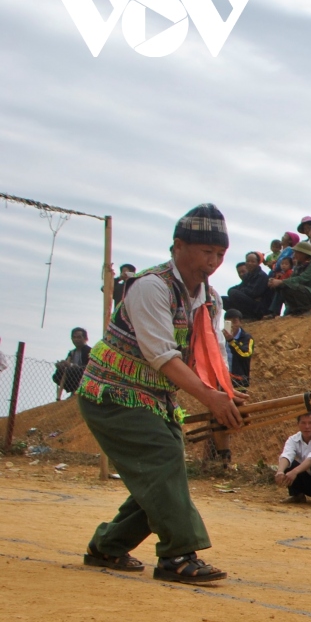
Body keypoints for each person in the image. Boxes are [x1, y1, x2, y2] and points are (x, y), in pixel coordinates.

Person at [75, 203, 241, 585]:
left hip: (153, 398)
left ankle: (107, 546)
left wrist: (226, 392)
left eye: (219, 255)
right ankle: (177, 555)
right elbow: (163, 357)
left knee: (163, 470)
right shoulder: (151, 287)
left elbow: (206, 353)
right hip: (112, 393)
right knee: (164, 458)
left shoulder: (209, 299)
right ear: (178, 246)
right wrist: (210, 398)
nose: (213, 262)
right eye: (206, 252)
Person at [268, 241, 311, 315]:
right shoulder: (298, 266)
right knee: (283, 287)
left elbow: (300, 280)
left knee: (295, 286)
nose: (294, 255)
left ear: (304, 254)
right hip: (309, 295)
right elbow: (291, 280)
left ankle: (309, 310)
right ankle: (296, 311)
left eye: (297, 252)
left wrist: (281, 282)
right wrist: (277, 283)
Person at [224, 252, 270, 319]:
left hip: (258, 307)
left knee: (233, 293)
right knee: (222, 299)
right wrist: (241, 291)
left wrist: (241, 292)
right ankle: (240, 316)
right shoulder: (248, 276)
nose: (250, 263)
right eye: (248, 261)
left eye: (253, 261)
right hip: (249, 300)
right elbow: (239, 287)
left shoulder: (261, 276)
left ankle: (249, 316)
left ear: (257, 263)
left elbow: (254, 293)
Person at [52, 327, 92, 397]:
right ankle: (73, 391)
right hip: (73, 374)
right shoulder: (72, 353)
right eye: (74, 337)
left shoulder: (90, 351)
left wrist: (71, 366)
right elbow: (67, 365)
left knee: (72, 370)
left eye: (79, 337)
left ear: (86, 339)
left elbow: (90, 367)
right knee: (57, 375)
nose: (76, 340)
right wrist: (61, 366)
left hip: (85, 374)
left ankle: (82, 391)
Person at [222, 309, 253, 389]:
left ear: (240, 322)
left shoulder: (247, 338)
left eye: (235, 321)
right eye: (229, 322)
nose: (232, 325)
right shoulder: (220, 338)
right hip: (222, 381)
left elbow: (245, 354)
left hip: (239, 382)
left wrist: (231, 341)